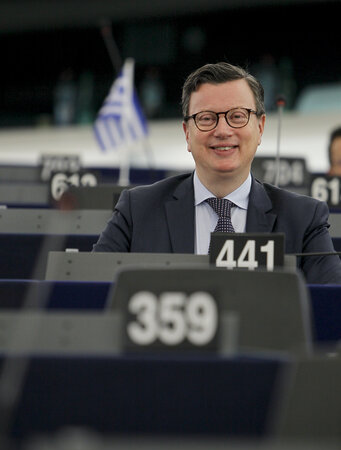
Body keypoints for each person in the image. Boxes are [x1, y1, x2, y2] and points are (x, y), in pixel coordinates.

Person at [93, 62, 341, 285]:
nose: (223, 130)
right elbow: (89, 291)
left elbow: (330, 310)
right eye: (207, 118)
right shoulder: (136, 210)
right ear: (187, 133)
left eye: (237, 116)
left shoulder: (304, 218)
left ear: (261, 127)